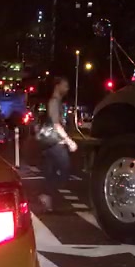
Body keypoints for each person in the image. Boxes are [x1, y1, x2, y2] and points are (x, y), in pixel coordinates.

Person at [38, 76, 77, 212]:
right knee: (65, 169)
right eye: (64, 85)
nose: (67, 88)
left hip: (51, 142)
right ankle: (46, 195)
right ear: (57, 86)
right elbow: (56, 124)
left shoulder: (58, 102)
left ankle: (46, 196)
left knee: (51, 172)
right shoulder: (54, 101)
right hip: (55, 142)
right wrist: (69, 141)